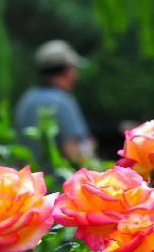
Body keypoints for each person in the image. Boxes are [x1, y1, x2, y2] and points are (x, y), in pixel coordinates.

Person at [14, 40, 94, 168]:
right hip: (58, 185)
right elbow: (72, 151)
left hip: (32, 185)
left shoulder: (26, 99)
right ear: (68, 71)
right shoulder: (63, 101)